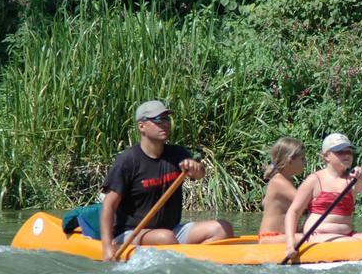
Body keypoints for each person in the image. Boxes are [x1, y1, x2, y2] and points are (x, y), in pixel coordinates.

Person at [100, 99, 233, 261]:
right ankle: (180, 255)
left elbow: (199, 175)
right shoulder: (128, 161)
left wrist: (196, 168)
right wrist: (107, 246)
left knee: (223, 229)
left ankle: (194, 261)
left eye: (166, 119)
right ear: (141, 126)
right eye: (158, 120)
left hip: (172, 229)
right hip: (130, 232)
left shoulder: (177, 154)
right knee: (165, 237)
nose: (165, 124)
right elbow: (109, 205)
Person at [284, 133, 362, 259]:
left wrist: (360, 177)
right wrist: (290, 242)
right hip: (318, 235)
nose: (346, 155)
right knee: (351, 243)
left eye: (349, 152)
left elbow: (361, 187)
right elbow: (293, 212)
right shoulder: (314, 180)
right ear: (327, 156)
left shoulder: (352, 180)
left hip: (347, 235)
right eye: (340, 151)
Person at [258, 137, 306, 244]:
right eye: (302, 159)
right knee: (313, 238)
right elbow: (305, 202)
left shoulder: (287, 180)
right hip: (271, 237)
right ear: (289, 161)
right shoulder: (278, 182)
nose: (305, 162)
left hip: (283, 236)